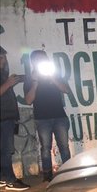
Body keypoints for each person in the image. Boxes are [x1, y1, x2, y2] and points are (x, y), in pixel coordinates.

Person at [24, 49, 71, 182]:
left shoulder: (54, 74)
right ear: (33, 62)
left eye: (43, 59)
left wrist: (52, 78)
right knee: (45, 148)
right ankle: (47, 176)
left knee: (64, 146)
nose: (41, 61)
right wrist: (35, 83)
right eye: (38, 59)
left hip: (59, 116)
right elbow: (28, 100)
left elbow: (66, 90)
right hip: (42, 118)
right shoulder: (30, 79)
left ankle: (69, 173)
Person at [0, 47, 30, 191]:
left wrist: (22, 77)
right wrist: (8, 84)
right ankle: (10, 180)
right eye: (0, 58)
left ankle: (2, 178)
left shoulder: (3, 74)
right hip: (2, 118)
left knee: (5, 150)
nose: (4, 61)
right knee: (6, 150)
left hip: (7, 117)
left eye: (4, 58)